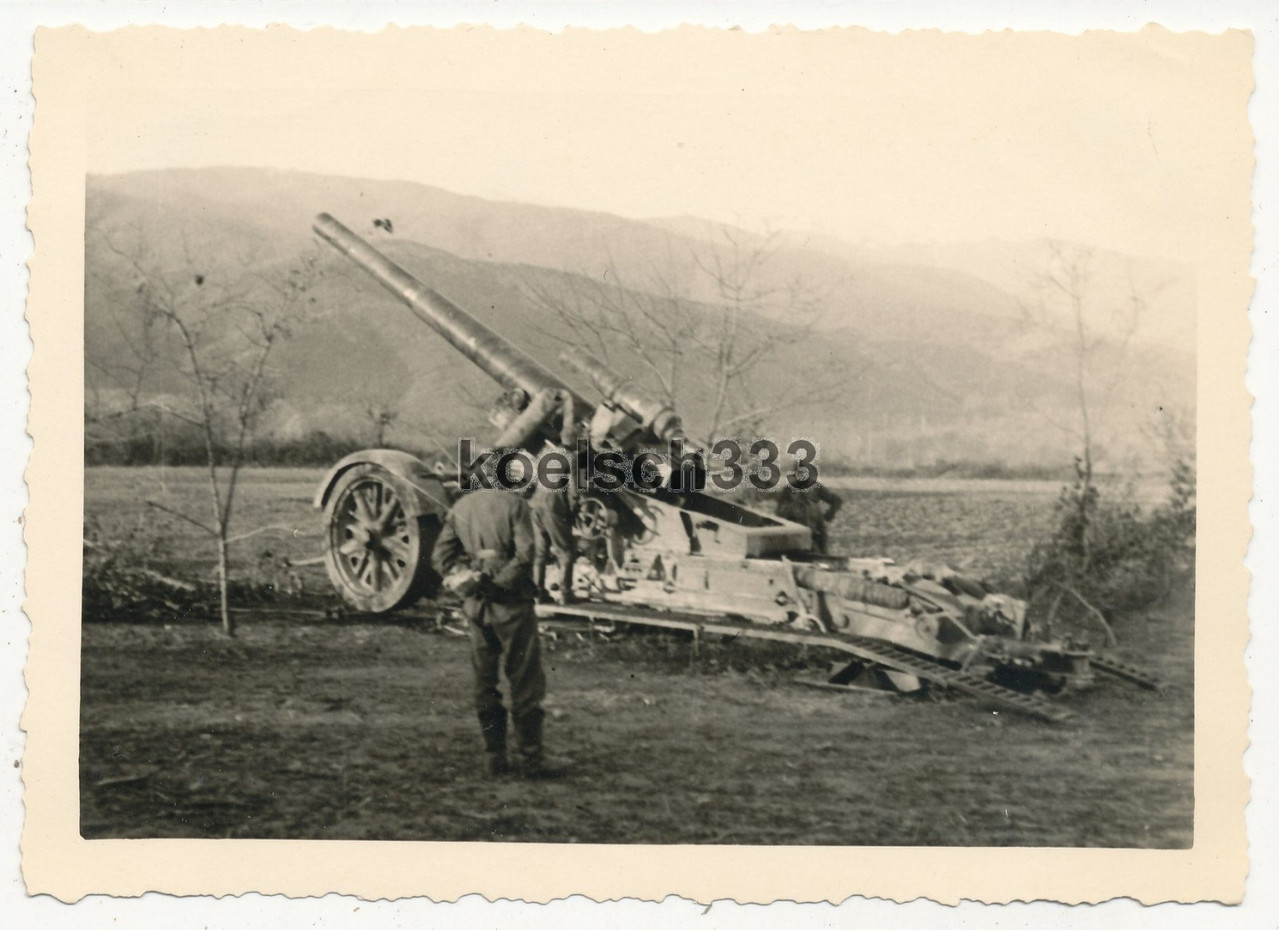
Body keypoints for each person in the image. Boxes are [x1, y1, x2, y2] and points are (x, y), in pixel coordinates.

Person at [431, 488, 551, 778]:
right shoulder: (515, 505)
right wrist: (497, 584)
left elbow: (439, 557)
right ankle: (531, 759)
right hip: (510, 605)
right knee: (524, 680)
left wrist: (466, 579)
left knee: (485, 680)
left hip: (476, 606)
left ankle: (494, 756)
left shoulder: (463, 505)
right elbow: (525, 556)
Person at [530, 477, 578, 604]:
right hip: (554, 506)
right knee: (566, 551)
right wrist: (572, 515)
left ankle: (537, 593)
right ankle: (565, 593)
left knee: (540, 553)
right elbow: (574, 493)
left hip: (536, 506)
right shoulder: (576, 460)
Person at [775, 477, 844, 554]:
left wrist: (829, 515)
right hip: (795, 536)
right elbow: (779, 514)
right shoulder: (789, 489)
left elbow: (836, 500)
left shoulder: (816, 488)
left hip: (813, 535)